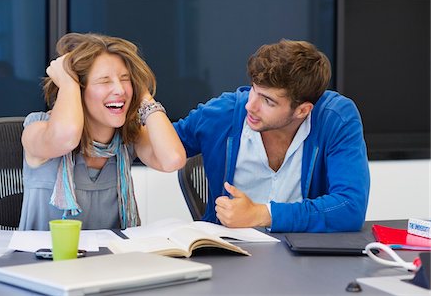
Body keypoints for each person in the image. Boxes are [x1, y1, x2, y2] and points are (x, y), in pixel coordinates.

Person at [174, 39, 370, 233]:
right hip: (230, 252)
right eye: (254, 90)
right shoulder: (222, 114)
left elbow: (349, 207)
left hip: (304, 258)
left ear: (302, 110)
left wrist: (261, 214)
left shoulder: (336, 118)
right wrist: (147, 102)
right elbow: (159, 145)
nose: (250, 106)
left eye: (268, 101)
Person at [19, 33, 186, 230]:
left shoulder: (129, 136)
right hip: (47, 259)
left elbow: (173, 159)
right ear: (78, 90)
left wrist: (143, 95)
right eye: (105, 81)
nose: (120, 90)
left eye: (125, 79)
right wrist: (68, 82)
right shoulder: (38, 129)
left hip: (110, 259)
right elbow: (66, 138)